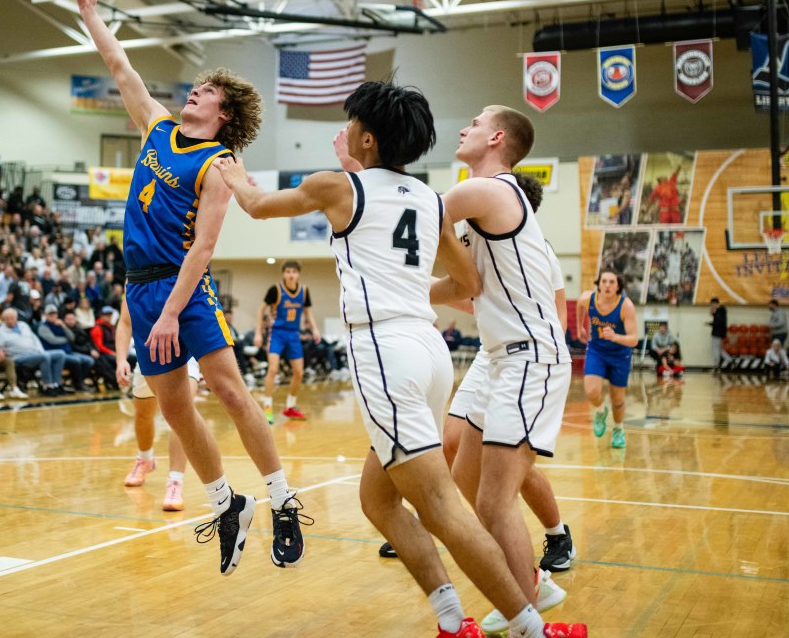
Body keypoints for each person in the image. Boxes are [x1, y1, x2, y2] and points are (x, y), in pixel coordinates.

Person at [217, 85, 585, 638]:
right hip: (431, 352)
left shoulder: (336, 186)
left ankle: (530, 625)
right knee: (378, 498)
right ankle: (450, 618)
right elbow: (469, 282)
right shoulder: (429, 199)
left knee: (442, 504)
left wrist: (226, 164)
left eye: (350, 124)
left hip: (384, 352)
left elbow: (255, 204)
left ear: (366, 136)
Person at [72, 0, 306, 577]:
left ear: (223, 114)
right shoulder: (157, 127)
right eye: (196, 88)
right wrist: (90, 11)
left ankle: (282, 497)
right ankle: (228, 505)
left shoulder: (217, 163)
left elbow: (203, 248)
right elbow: (121, 66)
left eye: (205, 92)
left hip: (184, 289)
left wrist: (175, 310)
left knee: (229, 391)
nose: (193, 93)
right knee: (175, 409)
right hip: (141, 289)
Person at [438, 107, 579, 633]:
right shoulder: (481, 207)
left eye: (472, 122)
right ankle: (534, 586)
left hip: (529, 356)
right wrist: (396, 297)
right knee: (466, 481)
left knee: (495, 501)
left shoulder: (489, 191)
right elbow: (462, 287)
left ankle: (527, 610)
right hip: (500, 357)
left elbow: (417, 219)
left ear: (496, 137)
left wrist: (361, 182)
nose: (462, 127)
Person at [115, 296, 201, 510]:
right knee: (143, 414)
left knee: (182, 417)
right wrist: (120, 360)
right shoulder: (134, 272)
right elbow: (125, 322)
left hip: (184, 351)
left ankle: (175, 482)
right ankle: (145, 459)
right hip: (148, 352)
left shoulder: (181, 267)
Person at [577, 270, 639, 449]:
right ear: (599, 284)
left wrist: (615, 337)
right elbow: (580, 305)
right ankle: (601, 411)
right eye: (604, 281)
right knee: (591, 392)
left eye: (612, 282)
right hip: (597, 350)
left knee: (618, 400)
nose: (607, 285)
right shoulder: (589, 298)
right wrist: (580, 326)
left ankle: (619, 429)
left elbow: (633, 339)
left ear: (618, 286)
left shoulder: (626, 306)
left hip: (620, 354)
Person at [255, 260, 319, 423]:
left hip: (293, 335)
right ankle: (267, 408)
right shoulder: (275, 290)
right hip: (277, 334)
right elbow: (261, 310)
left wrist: (315, 329)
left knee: (299, 372)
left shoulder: (304, 291)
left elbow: (308, 314)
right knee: (273, 369)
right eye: (288, 271)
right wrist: (258, 333)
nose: (291, 274)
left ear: (298, 274)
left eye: (294, 272)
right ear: (283, 273)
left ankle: (290, 407)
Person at [707, 297, 730, 369]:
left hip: (717, 333)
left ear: (715, 303)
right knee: (719, 349)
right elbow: (718, 320)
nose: (712, 306)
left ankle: (716, 366)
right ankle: (729, 359)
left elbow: (718, 322)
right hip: (720, 333)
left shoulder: (720, 311)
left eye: (712, 304)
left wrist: (710, 323)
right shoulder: (721, 311)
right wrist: (713, 314)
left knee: (715, 349)